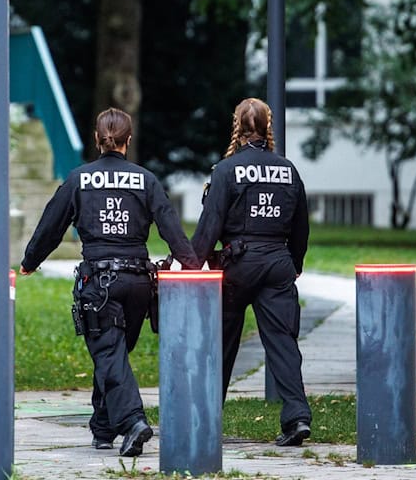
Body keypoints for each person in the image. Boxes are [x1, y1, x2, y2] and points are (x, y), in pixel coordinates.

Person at [19, 107, 201, 457]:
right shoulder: (145, 180)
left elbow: (51, 226)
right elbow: (171, 229)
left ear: (97, 139)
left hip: (99, 285)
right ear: (128, 141)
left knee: (108, 354)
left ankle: (133, 421)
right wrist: (193, 264)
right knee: (113, 354)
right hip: (138, 284)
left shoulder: (79, 179)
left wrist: (30, 262)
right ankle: (102, 429)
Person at [191, 98, 313, 447]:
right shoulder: (288, 169)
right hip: (277, 263)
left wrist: (191, 264)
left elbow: (210, 224)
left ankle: (206, 417)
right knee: (283, 343)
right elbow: (301, 226)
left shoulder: (227, 170)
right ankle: (297, 417)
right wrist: (294, 265)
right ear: (267, 125)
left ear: (237, 126)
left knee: (222, 342)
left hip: (236, 266)